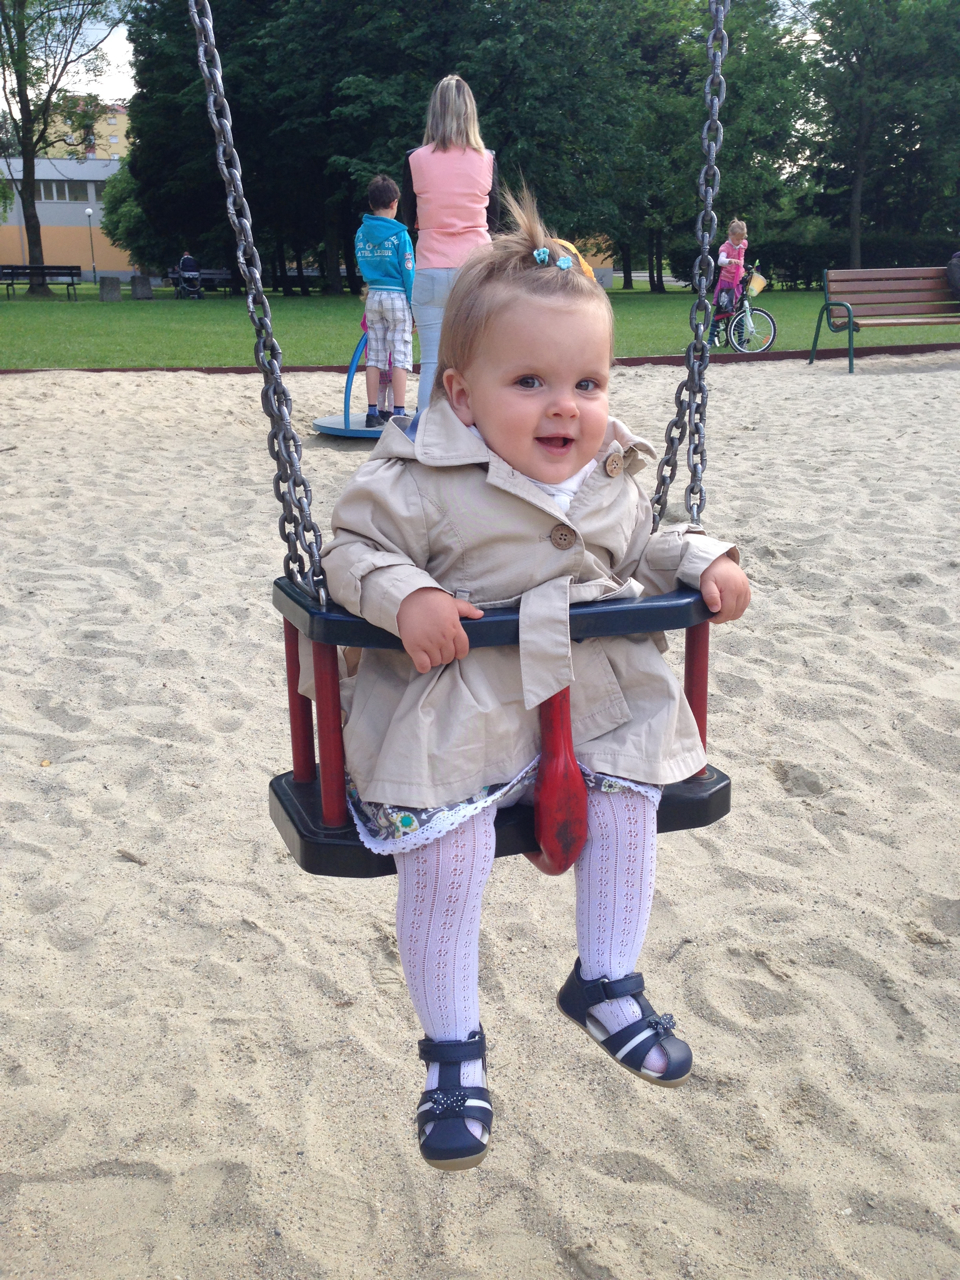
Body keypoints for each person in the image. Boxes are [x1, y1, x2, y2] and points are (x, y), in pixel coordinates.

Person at [317, 190, 751, 1173]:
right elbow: (349, 554)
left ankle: (606, 979)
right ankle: (452, 1047)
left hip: (588, 705)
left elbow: (643, 547)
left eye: (588, 381)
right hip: (458, 718)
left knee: (630, 800)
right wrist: (408, 595)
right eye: (531, 381)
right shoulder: (416, 480)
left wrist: (704, 559)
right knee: (448, 853)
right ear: (462, 395)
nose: (567, 406)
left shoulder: (610, 477)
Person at [401, 75, 500, 411]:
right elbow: (494, 219)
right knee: (475, 360)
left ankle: (426, 430)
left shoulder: (415, 159)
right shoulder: (487, 159)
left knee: (431, 361)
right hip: (475, 269)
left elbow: (409, 215)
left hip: (431, 267)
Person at [355, 174, 415, 429]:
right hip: (397, 295)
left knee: (375, 355)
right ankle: (397, 411)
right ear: (394, 203)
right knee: (400, 354)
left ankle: (372, 412)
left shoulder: (361, 234)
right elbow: (409, 273)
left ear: (371, 204)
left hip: (374, 295)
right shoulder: (400, 235)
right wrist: (413, 307)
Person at [708, 218, 748, 346]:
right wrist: (730, 261)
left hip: (738, 283)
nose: (739, 242)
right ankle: (709, 341)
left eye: (742, 239)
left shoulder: (743, 245)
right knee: (720, 311)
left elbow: (741, 258)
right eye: (737, 239)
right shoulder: (726, 247)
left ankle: (740, 342)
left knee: (739, 311)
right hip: (726, 283)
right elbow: (720, 261)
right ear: (730, 235)